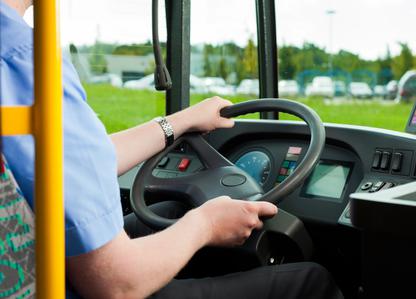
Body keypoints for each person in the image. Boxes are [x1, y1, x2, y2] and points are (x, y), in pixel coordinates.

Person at [0, 1, 343, 298]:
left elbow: (74, 161)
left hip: (32, 263)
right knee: (310, 281)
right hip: (73, 287)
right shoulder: (26, 61)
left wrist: (180, 121)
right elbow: (116, 285)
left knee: (170, 209)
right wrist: (206, 224)